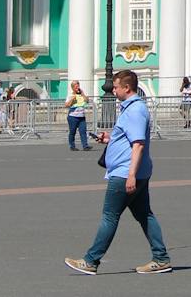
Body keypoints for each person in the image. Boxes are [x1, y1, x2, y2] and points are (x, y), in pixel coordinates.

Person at [66, 69, 172, 276]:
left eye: (115, 87)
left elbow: (138, 144)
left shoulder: (134, 110)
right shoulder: (131, 109)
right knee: (144, 215)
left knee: (110, 216)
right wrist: (110, 139)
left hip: (125, 173)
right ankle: (161, 258)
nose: (112, 90)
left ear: (127, 87)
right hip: (132, 171)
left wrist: (131, 174)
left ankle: (91, 260)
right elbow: (129, 138)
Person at [66, 81, 92, 152]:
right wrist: (73, 98)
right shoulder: (70, 95)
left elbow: (87, 101)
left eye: (78, 86)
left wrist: (83, 94)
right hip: (73, 117)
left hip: (81, 117)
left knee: (83, 131)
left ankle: (85, 146)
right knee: (72, 132)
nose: (77, 87)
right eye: (76, 86)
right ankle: (72, 146)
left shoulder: (81, 95)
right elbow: (67, 105)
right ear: (73, 88)